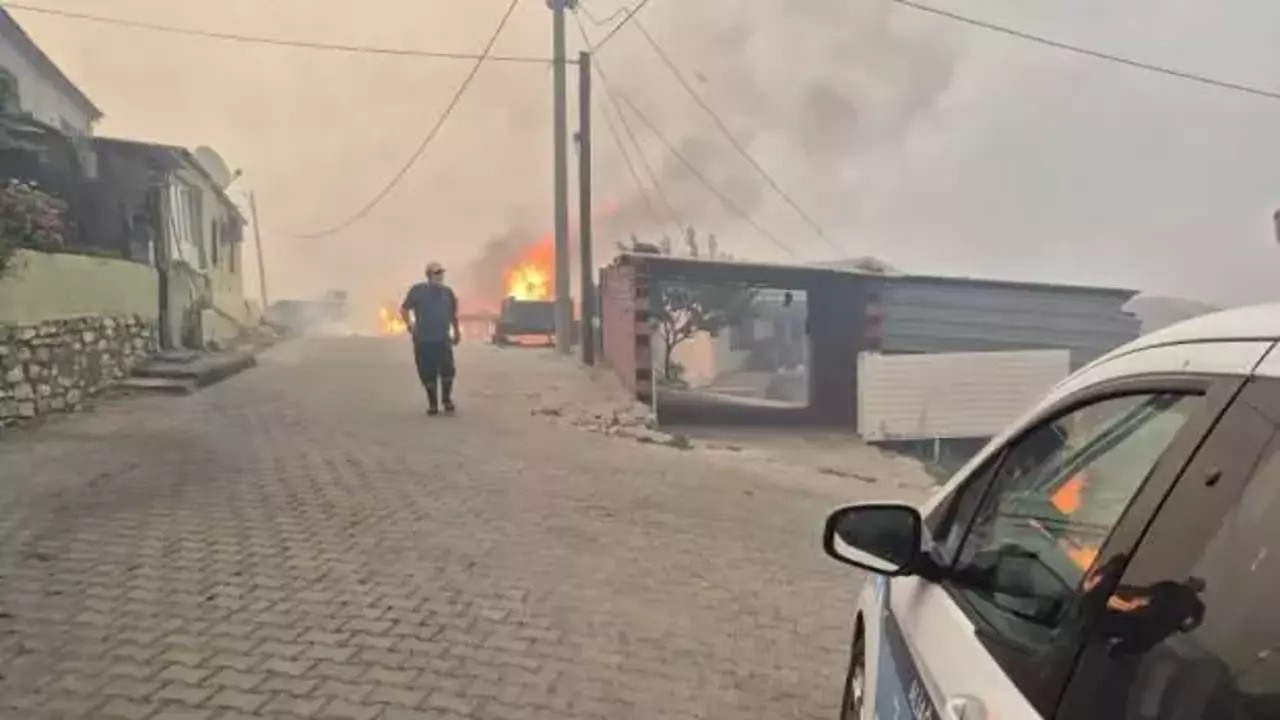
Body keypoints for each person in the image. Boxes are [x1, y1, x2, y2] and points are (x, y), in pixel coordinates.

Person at [400, 262, 461, 415]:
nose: (440, 276)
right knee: (428, 372)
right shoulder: (417, 291)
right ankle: (433, 404)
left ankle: (446, 400)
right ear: (429, 275)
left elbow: (453, 315)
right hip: (424, 340)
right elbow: (404, 309)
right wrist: (409, 324)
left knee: (448, 370)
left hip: (443, 339)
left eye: (441, 273)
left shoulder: (448, 293)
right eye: (436, 273)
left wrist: (457, 332)